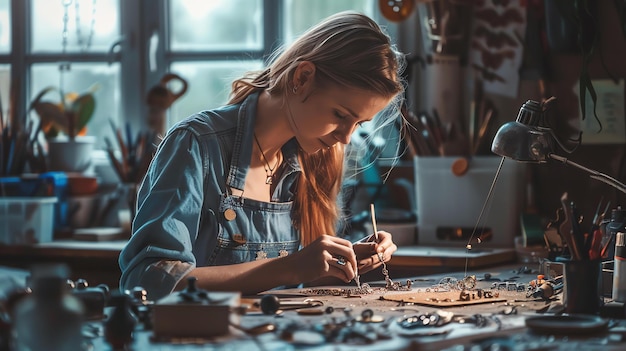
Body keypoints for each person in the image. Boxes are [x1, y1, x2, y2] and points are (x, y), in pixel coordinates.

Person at [119, 11, 406, 300]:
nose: (345, 137)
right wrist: (290, 268)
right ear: (302, 78)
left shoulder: (320, 156)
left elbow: (299, 290)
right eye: (340, 115)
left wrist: (339, 261)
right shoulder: (196, 145)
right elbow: (148, 280)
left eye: (358, 124)